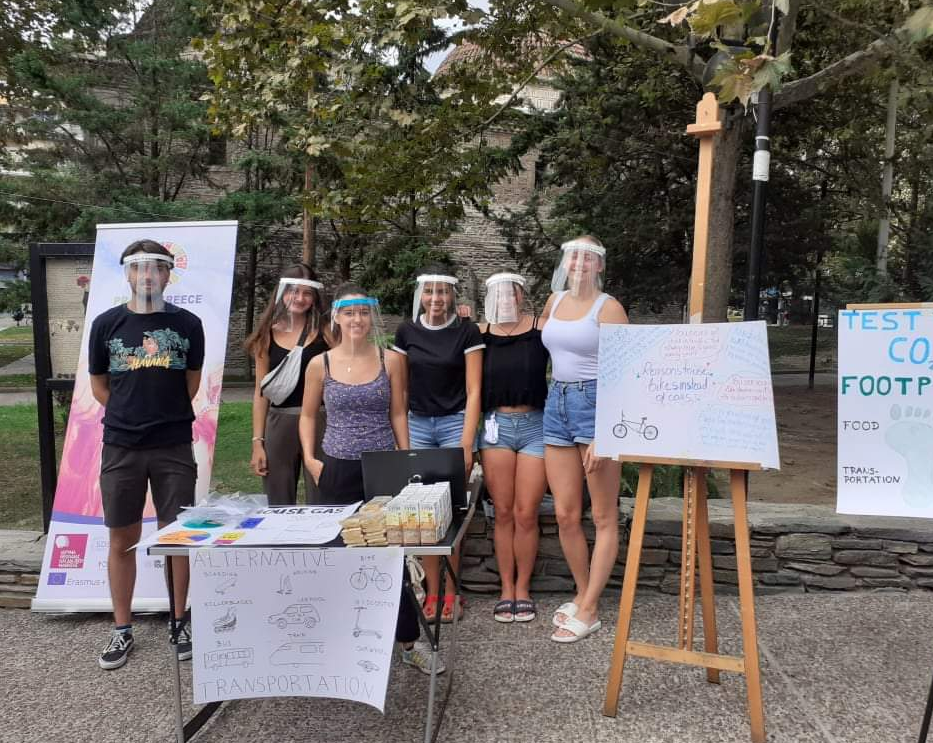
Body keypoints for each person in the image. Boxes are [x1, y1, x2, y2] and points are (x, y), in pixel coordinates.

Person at [298, 283, 443, 673]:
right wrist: (310, 459)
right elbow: (308, 414)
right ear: (337, 318)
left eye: (363, 312)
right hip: (336, 466)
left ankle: (407, 641)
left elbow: (398, 412)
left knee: (390, 556)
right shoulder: (320, 364)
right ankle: (341, 641)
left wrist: (406, 459)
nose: (357, 320)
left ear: (371, 317)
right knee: (336, 554)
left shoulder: (390, 360)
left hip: (382, 469)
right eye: (349, 313)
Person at [88, 239, 205, 669]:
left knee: (176, 537)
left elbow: (190, 382)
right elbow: (100, 385)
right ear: (128, 274)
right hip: (121, 446)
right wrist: (128, 415)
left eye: (156, 268)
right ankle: (122, 628)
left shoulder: (188, 324)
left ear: (168, 275)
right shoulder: (106, 324)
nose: (148, 275)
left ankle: (179, 621)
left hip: (173, 444)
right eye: (139, 268)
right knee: (123, 538)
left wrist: (162, 415)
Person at [540, 235, 628, 643]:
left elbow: (624, 371)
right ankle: (582, 593)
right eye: (573, 257)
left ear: (600, 265)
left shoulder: (608, 307)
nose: (579, 263)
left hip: (595, 403)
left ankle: (591, 609)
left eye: (588, 258)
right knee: (565, 513)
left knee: (604, 516)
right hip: (556, 400)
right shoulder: (554, 301)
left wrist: (606, 430)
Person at [392, 266, 484, 623]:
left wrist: (466, 441)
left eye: (443, 292)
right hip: (417, 424)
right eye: (429, 292)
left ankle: (451, 591)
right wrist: (403, 441)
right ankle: (432, 590)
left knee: (451, 510)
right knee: (424, 512)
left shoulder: (466, 331)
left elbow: (474, 390)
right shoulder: (406, 331)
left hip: (453, 424)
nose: (436, 299)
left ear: (452, 296)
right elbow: (400, 390)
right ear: (420, 295)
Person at [479, 273, 549, 623]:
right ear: (489, 297)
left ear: (522, 296)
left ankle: (524, 588)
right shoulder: (480, 333)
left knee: (526, 512)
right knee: (504, 512)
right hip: (497, 428)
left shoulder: (541, 329)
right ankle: (506, 588)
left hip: (536, 425)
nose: (506, 299)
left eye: (512, 293)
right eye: (499, 293)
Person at [245, 264, 329, 505]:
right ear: (282, 293)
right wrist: (258, 442)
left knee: (323, 493)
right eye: (293, 291)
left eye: (307, 293)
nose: (299, 298)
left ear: (315, 297)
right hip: (280, 422)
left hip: (321, 421)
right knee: (278, 497)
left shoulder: (325, 332)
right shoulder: (266, 335)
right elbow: (261, 393)